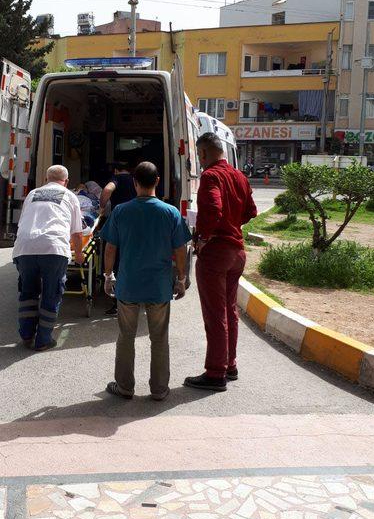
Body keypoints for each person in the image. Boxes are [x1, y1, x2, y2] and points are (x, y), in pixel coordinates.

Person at [101, 162, 191, 401]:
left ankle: (124, 387)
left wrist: (108, 276)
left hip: (128, 285)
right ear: (158, 181)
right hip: (159, 286)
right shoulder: (170, 212)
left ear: (134, 182)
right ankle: (159, 389)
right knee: (159, 339)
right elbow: (180, 249)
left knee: (125, 337)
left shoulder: (121, 211)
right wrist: (181, 279)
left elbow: (110, 247)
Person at [184, 133, 257, 393]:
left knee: (215, 315)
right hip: (237, 253)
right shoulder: (240, 176)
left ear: (203, 154)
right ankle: (230, 364)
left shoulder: (210, 176)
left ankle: (215, 373)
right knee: (229, 311)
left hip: (216, 254)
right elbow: (251, 211)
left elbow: (213, 210)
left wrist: (203, 238)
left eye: (199, 156)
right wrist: (231, 226)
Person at [13, 165, 85, 352]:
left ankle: (27, 335)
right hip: (54, 248)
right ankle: (43, 339)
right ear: (66, 182)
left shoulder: (32, 194)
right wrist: (79, 255)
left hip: (24, 247)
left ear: (46, 179)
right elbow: (77, 234)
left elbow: (22, 223)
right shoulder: (70, 196)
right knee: (51, 293)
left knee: (28, 292)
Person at [100, 163, 137, 315]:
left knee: (117, 261)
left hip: (120, 222)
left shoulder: (117, 178)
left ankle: (117, 302)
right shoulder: (135, 179)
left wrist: (102, 206)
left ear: (116, 170)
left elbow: (107, 189)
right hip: (136, 222)